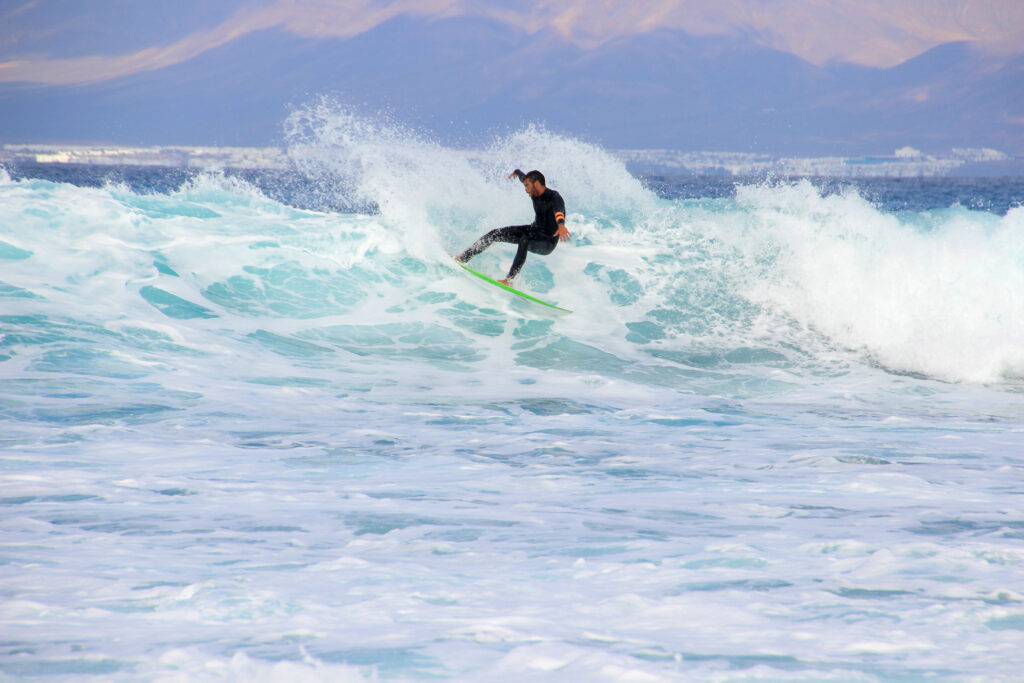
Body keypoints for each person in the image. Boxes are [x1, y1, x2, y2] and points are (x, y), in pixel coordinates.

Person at [456, 169, 570, 285]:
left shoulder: (554, 197)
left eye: (527, 186)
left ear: (536, 184)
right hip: (534, 230)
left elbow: (559, 210)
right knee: (495, 233)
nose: (525, 189)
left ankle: (509, 280)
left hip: (547, 241)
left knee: (524, 241)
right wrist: (517, 172)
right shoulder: (533, 189)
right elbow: (523, 178)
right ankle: (462, 258)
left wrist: (561, 225)